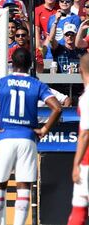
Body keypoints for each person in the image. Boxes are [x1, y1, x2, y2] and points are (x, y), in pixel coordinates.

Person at [0, 47, 62, 225]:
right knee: (24, 187)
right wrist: (44, 129)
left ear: (11, 63)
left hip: (4, 137)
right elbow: (57, 108)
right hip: (27, 138)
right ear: (30, 64)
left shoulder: (1, 82)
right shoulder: (37, 84)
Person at [66, 53, 89, 225]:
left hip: (87, 161)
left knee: (79, 209)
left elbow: (85, 133)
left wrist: (76, 164)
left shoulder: (86, 98)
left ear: (81, 71)